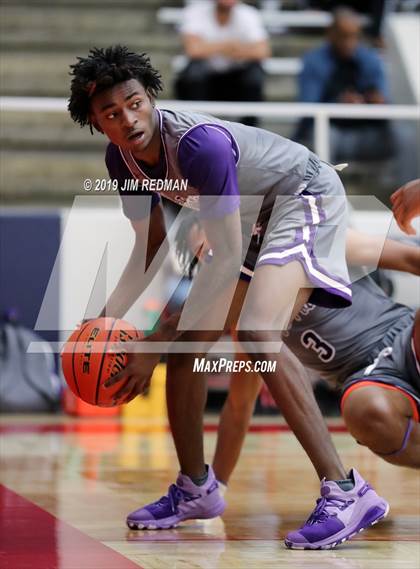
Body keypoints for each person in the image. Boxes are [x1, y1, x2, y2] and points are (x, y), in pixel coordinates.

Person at [68, 45, 388, 550]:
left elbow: (224, 256)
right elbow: (148, 248)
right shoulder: (122, 158)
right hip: (252, 218)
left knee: (258, 333)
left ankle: (346, 491)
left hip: (303, 197)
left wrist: (155, 337)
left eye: (134, 102)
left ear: (149, 97)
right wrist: (99, 324)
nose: (128, 119)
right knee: (184, 350)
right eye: (112, 113)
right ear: (96, 123)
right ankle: (196, 487)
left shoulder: (200, 146)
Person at [175, 215, 420, 489]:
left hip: (406, 337)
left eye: (218, 246)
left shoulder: (314, 241)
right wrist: (216, 487)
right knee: (364, 412)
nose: (218, 261)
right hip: (369, 381)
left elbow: (411, 258)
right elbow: (239, 406)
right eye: (205, 257)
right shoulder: (248, 322)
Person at [296, 7, 394, 162]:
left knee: (404, 137)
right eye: (344, 36)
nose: (349, 42)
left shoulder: (371, 60)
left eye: (354, 36)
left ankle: (404, 186)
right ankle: (325, 186)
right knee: (323, 136)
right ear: (331, 33)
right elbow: (308, 107)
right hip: (330, 131)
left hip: (364, 132)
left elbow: (384, 100)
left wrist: (374, 101)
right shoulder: (313, 61)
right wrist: (338, 104)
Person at [175, 0, 270, 126]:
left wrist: (211, 48)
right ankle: (194, 127)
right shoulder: (196, 12)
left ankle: (250, 130)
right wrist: (229, 46)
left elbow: (263, 52)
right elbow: (193, 50)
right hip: (205, 81)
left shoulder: (248, 14)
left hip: (236, 81)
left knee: (255, 73)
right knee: (194, 71)